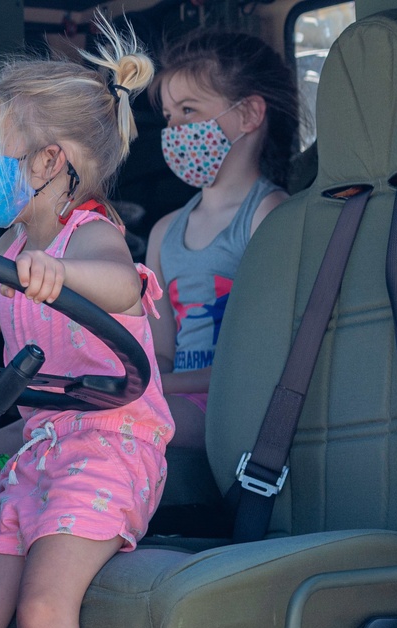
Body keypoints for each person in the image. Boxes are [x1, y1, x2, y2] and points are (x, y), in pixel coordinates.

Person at [0, 18, 173, 628]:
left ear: (49, 161)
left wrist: (60, 276)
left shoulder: (89, 236)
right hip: (36, 458)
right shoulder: (9, 251)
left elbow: (121, 285)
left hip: (108, 449)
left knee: (42, 615)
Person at [144, 31, 299, 449]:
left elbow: (261, 363)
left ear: (248, 114)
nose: (174, 128)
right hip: (173, 396)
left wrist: (155, 387)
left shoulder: (269, 216)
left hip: (234, 409)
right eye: (169, 115)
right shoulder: (164, 232)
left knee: (115, 420)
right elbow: (161, 353)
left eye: (189, 110)